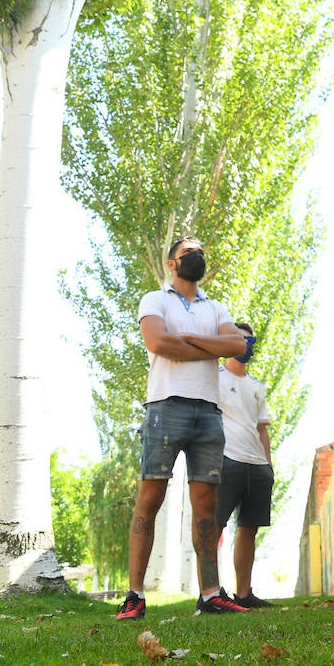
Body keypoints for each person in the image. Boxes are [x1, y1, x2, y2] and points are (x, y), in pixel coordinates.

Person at [116, 235, 250, 619]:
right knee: (150, 497)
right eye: (188, 252)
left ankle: (210, 594)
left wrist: (190, 339)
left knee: (206, 506)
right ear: (172, 263)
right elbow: (158, 342)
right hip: (165, 408)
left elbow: (237, 346)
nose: (197, 257)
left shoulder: (216, 306)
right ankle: (135, 595)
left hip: (209, 413)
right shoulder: (154, 300)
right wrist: (211, 346)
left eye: (200, 252)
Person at [215, 322, 276, 608]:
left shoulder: (256, 386)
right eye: (240, 339)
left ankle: (244, 594)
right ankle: (211, 594)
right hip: (226, 460)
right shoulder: (213, 376)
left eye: (250, 340)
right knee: (214, 527)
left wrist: (269, 466)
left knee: (249, 529)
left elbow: (263, 429)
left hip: (257, 466)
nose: (246, 344)